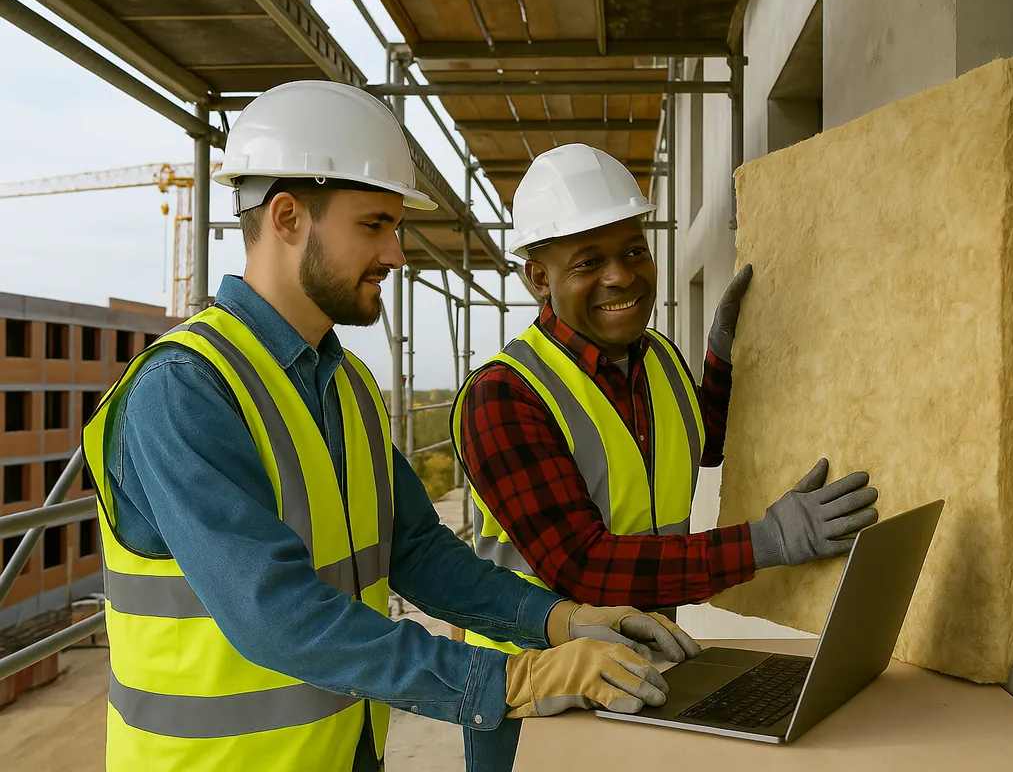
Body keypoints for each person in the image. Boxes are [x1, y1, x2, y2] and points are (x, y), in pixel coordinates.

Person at [81, 84, 701, 772]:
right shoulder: (186, 392)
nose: (397, 254)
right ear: (287, 216)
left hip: (347, 753)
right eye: (374, 225)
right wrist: (513, 680)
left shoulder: (343, 385)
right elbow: (276, 614)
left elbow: (416, 551)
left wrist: (559, 620)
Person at [449, 143, 881, 768]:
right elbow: (584, 568)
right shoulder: (504, 397)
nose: (621, 276)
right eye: (588, 261)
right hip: (533, 698)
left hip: (651, 671)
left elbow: (699, 440)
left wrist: (729, 356)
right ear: (538, 276)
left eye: (633, 251)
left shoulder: (660, 360)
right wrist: (765, 542)